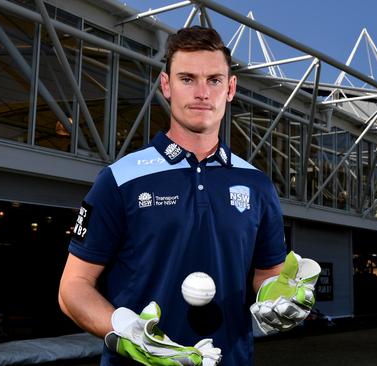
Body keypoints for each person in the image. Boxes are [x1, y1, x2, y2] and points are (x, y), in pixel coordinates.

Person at [59, 26, 319, 366]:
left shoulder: (257, 185)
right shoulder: (119, 179)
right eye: (187, 79)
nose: (201, 92)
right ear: (166, 85)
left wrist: (280, 295)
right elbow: (73, 287)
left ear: (230, 88)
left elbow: (267, 275)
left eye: (213, 80)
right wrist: (123, 331)